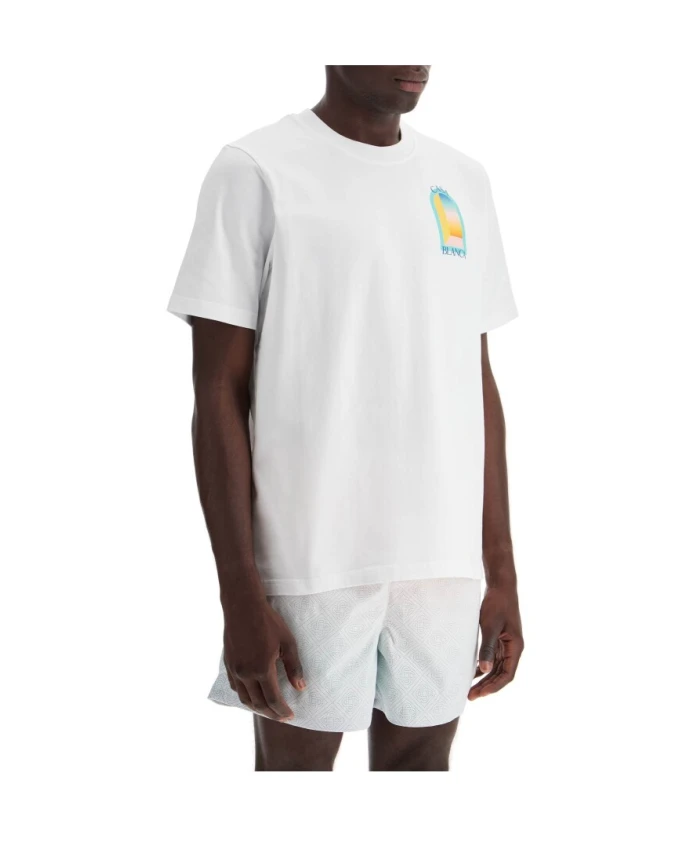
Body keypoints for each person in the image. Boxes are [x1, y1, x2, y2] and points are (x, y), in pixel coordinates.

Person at [168, 65, 523, 772]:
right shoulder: (256, 169)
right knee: (294, 773)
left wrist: (501, 575)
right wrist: (240, 595)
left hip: (440, 565)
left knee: (421, 769)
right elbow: (216, 392)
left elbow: (474, 379)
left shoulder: (462, 180)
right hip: (310, 559)